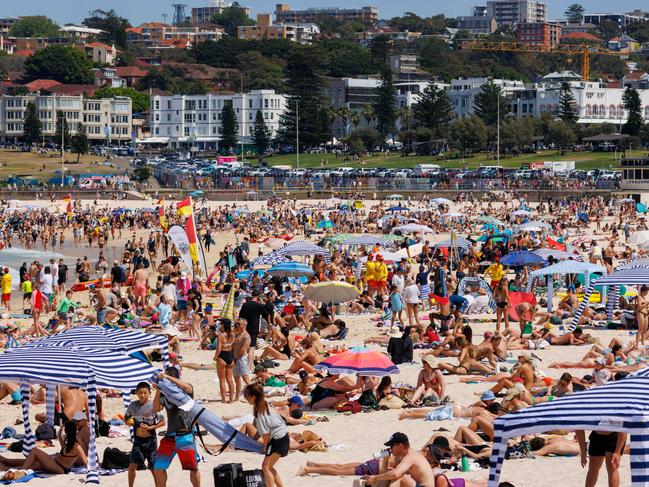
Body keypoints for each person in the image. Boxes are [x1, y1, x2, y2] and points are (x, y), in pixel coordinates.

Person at [152, 368, 200, 487]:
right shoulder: (165, 394)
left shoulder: (184, 390)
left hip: (186, 435)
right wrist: (158, 391)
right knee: (159, 466)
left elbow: (188, 388)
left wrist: (167, 377)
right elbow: (156, 409)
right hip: (170, 436)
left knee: (193, 468)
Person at [243, 384, 290, 487]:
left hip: (278, 439)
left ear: (254, 396)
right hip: (282, 437)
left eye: (246, 395)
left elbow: (266, 434)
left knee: (266, 467)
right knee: (269, 467)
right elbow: (262, 429)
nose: (245, 397)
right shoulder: (264, 404)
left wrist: (265, 447)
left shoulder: (260, 411)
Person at [0, 421, 86, 474]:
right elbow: (64, 448)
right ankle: (5, 461)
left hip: (60, 468)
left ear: (67, 431)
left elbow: (85, 460)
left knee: (34, 451)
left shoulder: (76, 446)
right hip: (56, 463)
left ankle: (20, 469)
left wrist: (93, 470)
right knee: (32, 462)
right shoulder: (71, 442)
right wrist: (59, 433)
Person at [125, 382, 165, 487]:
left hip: (151, 441)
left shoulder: (153, 406)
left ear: (149, 393)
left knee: (154, 468)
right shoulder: (133, 406)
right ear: (136, 393)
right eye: (140, 393)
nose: (142, 395)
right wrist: (129, 422)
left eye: (145, 393)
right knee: (132, 466)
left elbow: (162, 422)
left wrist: (150, 427)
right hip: (138, 441)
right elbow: (127, 419)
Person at [365, 432, 435, 487]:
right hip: (417, 485)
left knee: (399, 477)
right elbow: (386, 473)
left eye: (391, 446)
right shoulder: (405, 455)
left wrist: (375, 478)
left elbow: (396, 474)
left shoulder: (410, 457)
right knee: (390, 472)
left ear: (400, 446)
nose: (390, 448)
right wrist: (386, 460)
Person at [239, 290, 268, 371]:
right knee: (252, 348)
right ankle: (249, 366)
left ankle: (244, 364)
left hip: (244, 328)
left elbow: (241, 317)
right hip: (254, 328)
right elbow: (266, 314)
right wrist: (262, 303)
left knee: (244, 347)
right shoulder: (259, 305)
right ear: (258, 296)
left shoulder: (245, 305)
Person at [215, 319, 236, 403]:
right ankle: (231, 399)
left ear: (224, 325)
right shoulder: (232, 334)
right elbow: (233, 346)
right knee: (230, 380)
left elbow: (219, 349)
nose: (220, 325)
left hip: (222, 356)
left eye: (221, 324)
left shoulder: (221, 335)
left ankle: (223, 399)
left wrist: (215, 357)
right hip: (230, 355)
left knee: (222, 380)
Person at [232, 319, 251, 401]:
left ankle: (257, 394)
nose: (237, 325)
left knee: (245, 378)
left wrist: (235, 358)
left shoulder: (246, 336)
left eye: (239, 324)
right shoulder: (237, 334)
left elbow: (243, 350)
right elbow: (233, 346)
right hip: (235, 358)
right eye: (237, 323)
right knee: (236, 379)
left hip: (240, 359)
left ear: (244, 325)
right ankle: (237, 397)